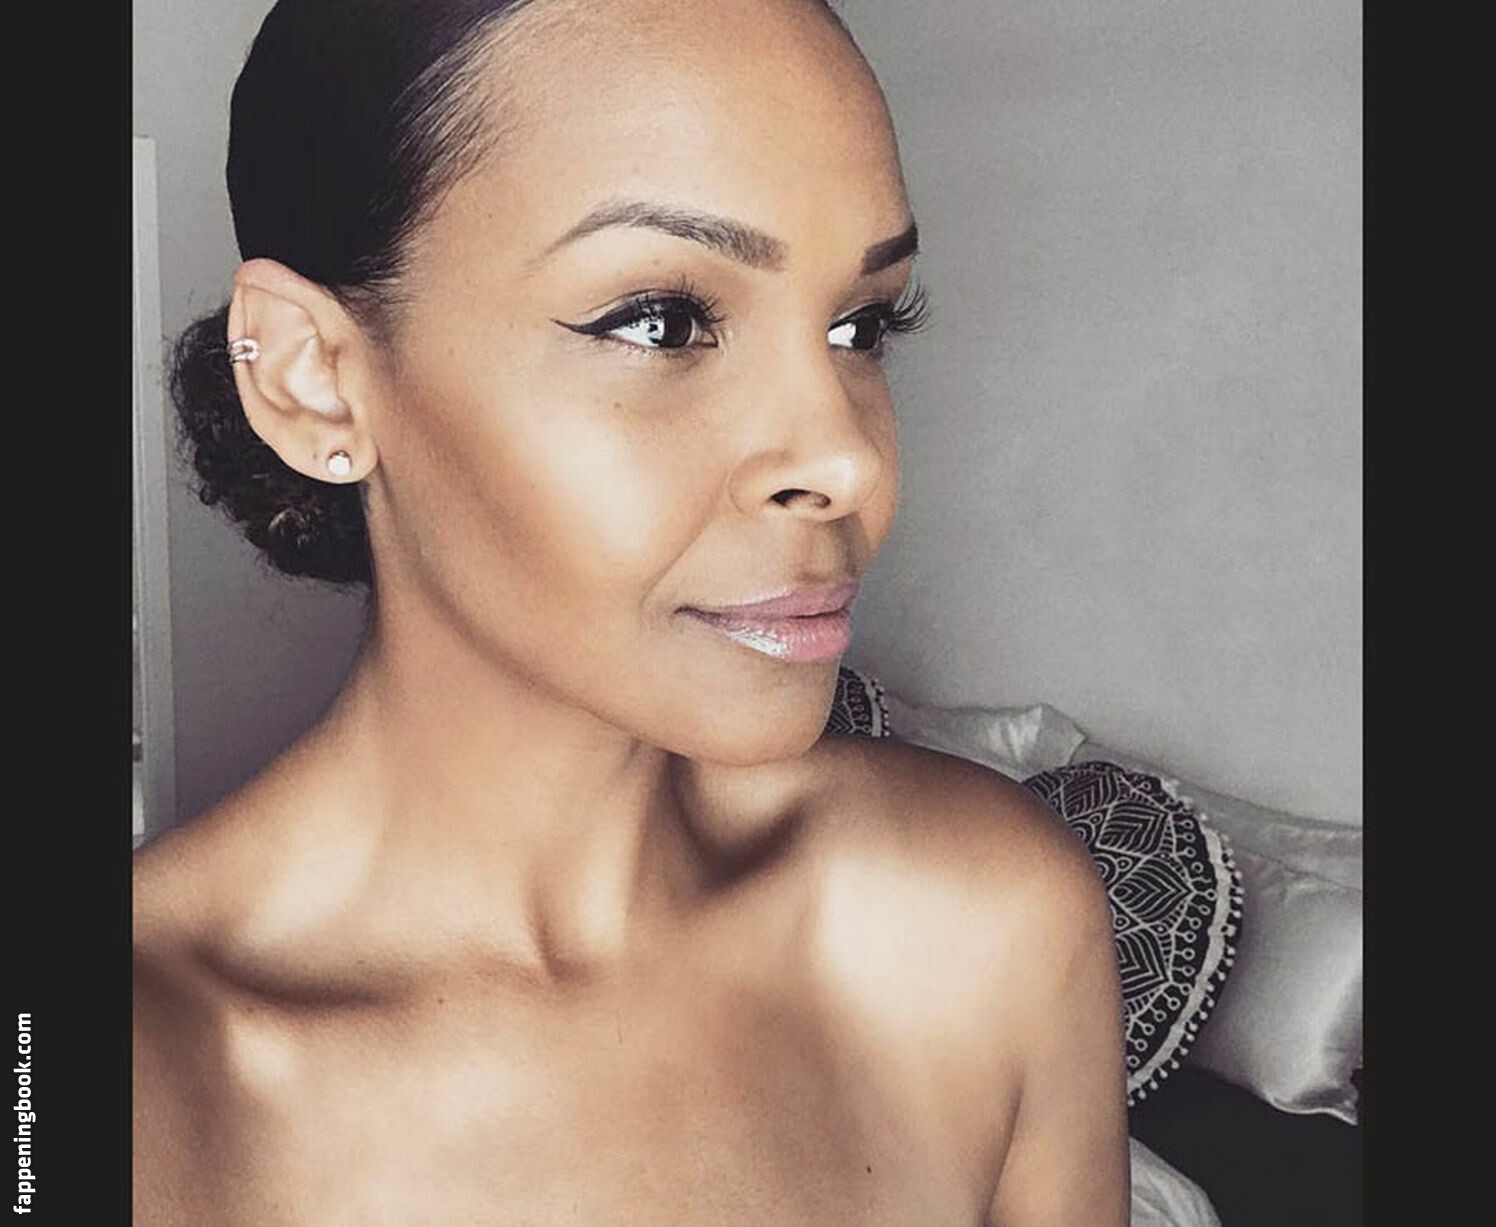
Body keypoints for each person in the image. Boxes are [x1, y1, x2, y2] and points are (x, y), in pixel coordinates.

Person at [132, 1, 1130, 1222]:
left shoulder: (982, 924)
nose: (843, 459)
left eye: (858, 324)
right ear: (316, 380)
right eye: (661, 322)